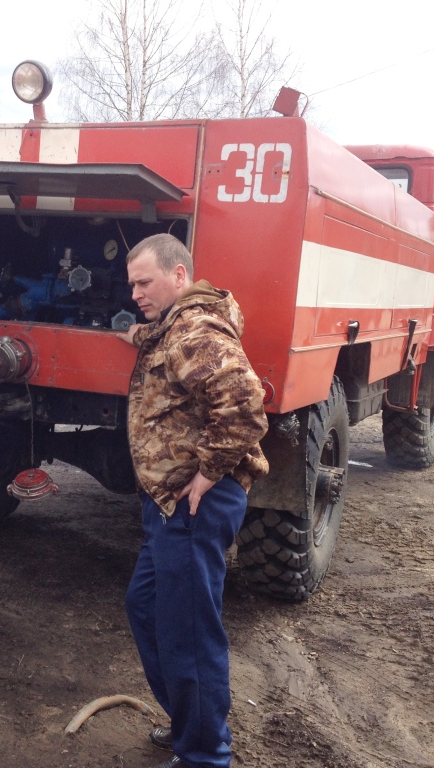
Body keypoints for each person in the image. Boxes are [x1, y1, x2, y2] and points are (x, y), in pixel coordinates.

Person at [117, 234, 269, 768]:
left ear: (179, 276)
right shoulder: (172, 325)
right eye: (131, 283)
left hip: (193, 503)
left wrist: (209, 472)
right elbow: (157, 342)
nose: (135, 291)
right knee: (146, 606)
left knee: (188, 631)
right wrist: (130, 331)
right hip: (169, 504)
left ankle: (205, 754)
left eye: (144, 282)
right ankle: (190, 724)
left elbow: (247, 404)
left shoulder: (194, 328)